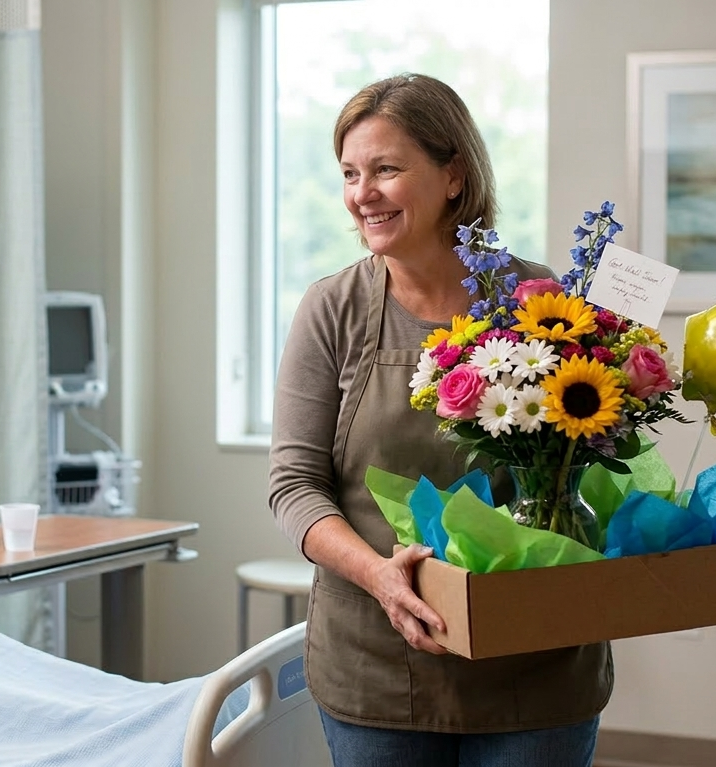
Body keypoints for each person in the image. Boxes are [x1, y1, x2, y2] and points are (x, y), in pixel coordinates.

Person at [268, 73, 611, 767]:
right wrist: (380, 577)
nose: (362, 192)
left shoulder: (541, 303)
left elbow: (590, 458)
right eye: (350, 173)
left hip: (533, 663)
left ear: (453, 175)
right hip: (375, 667)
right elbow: (294, 485)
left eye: (386, 169)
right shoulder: (331, 310)